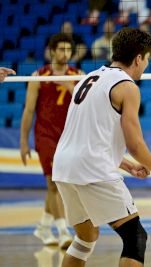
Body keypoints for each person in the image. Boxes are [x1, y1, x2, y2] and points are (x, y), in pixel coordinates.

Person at [52, 27, 151, 267]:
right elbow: (135, 144)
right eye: (147, 60)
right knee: (135, 237)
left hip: (64, 168)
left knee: (86, 237)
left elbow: (88, 137)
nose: (146, 65)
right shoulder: (127, 87)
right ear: (138, 58)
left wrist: (125, 164)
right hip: (91, 170)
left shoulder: (87, 78)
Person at [20, 33, 84, 249]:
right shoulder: (39, 76)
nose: (65, 53)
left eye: (68, 49)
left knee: (59, 183)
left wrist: (69, 87)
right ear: (52, 51)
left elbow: (86, 106)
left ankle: (43, 227)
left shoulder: (79, 75)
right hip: (45, 135)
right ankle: (63, 231)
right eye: (61, 49)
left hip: (68, 136)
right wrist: (23, 141)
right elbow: (28, 111)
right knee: (54, 182)